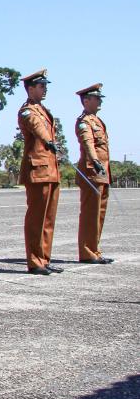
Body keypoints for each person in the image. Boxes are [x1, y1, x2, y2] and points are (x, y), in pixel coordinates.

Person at [17, 69, 61, 275]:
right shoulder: (28, 111)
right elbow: (37, 128)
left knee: (48, 218)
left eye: (46, 86)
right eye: (42, 86)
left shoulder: (42, 109)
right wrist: (49, 141)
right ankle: (34, 261)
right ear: (30, 88)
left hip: (50, 168)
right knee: (37, 217)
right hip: (37, 168)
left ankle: (44, 258)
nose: (45, 89)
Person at [74, 83, 115, 265]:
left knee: (99, 214)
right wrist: (95, 160)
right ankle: (87, 252)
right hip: (92, 172)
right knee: (90, 214)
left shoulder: (97, 120)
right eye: (96, 98)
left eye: (100, 98)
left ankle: (94, 249)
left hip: (102, 173)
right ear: (86, 100)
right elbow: (88, 143)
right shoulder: (85, 122)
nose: (100, 101)